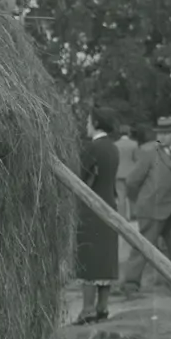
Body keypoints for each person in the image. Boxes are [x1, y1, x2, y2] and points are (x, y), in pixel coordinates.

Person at [121, 115, 171, 296]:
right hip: (152, 208)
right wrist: (141, 200)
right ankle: (130, 285)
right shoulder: (150, 153)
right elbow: (132, 181)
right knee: (143, 248)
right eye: (160, 133)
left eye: (167, 133)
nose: (163, 136)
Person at [72, 111, 121, 325]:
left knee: (90, 258)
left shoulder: (92, 148)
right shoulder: (113, 148)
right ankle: (102, 307)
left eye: (88, 121)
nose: (86, 124)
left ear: (96, 123)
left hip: (91, 208)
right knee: (106, 258)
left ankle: (87, 310)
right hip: (109, 205)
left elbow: (80, 175)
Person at [114, 124, 138, 221]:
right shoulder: (134, 144)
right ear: (129, 133)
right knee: (132, 195)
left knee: (121, 196)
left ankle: (122, 217)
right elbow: (136, 158)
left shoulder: (115, 144)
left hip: (119, 173)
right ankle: (133, 214)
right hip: (131, 173)